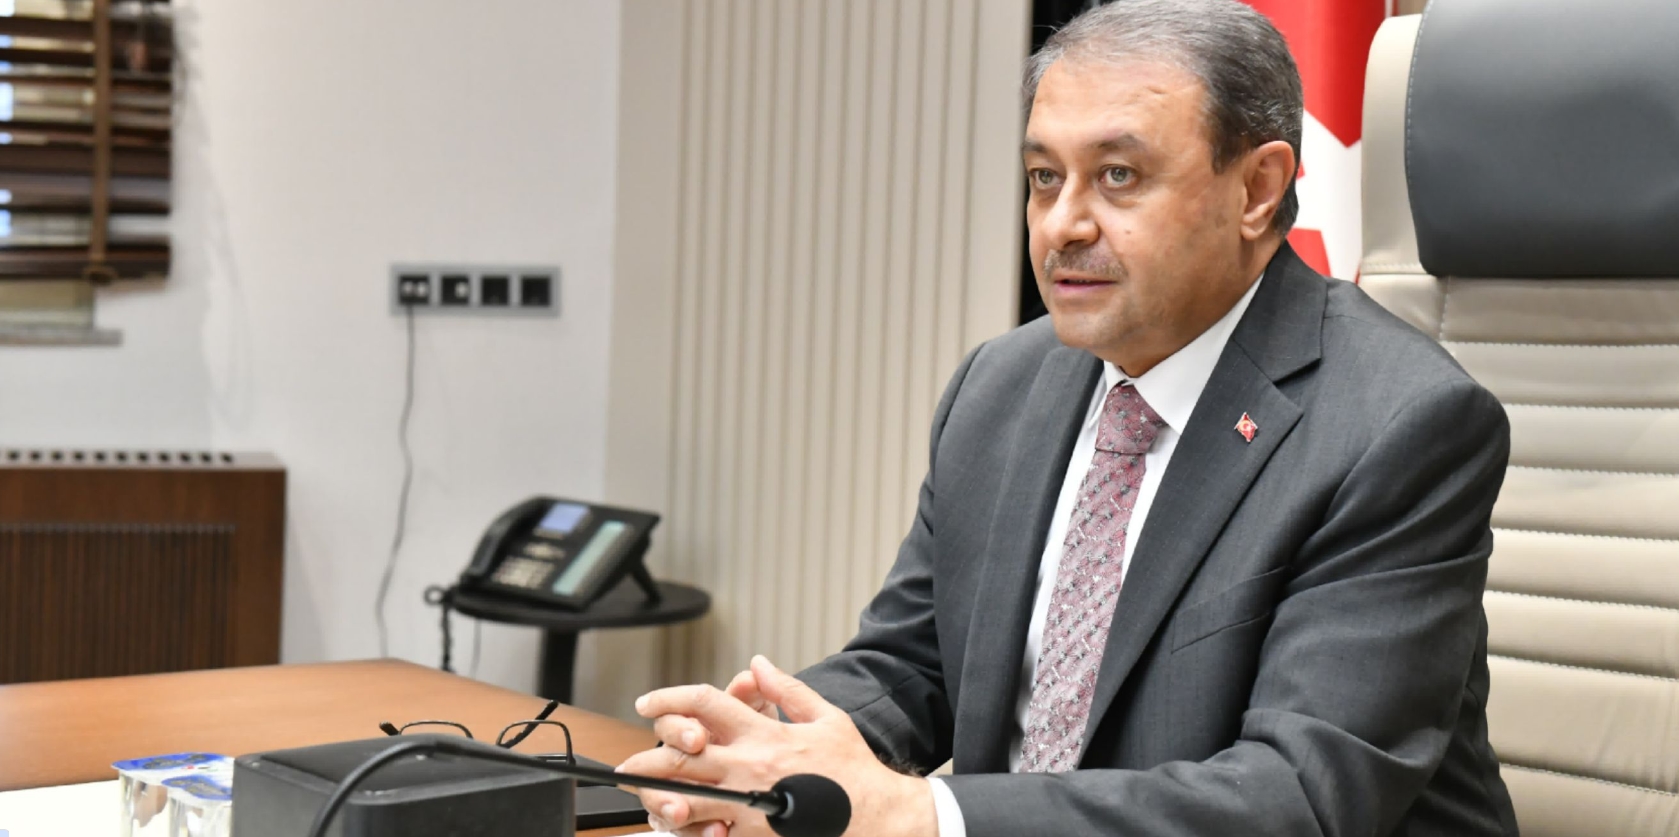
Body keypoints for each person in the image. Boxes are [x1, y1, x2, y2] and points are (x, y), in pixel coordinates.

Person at [617, 1, 1521, 835]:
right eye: (1043, 177)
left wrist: (924, 815)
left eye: (1117, 176)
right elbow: (915, 663)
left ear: (1255, 189)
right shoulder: (1002, 386)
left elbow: (1299, 794)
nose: (1061, 225)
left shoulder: (1396, 424)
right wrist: (763, 753)